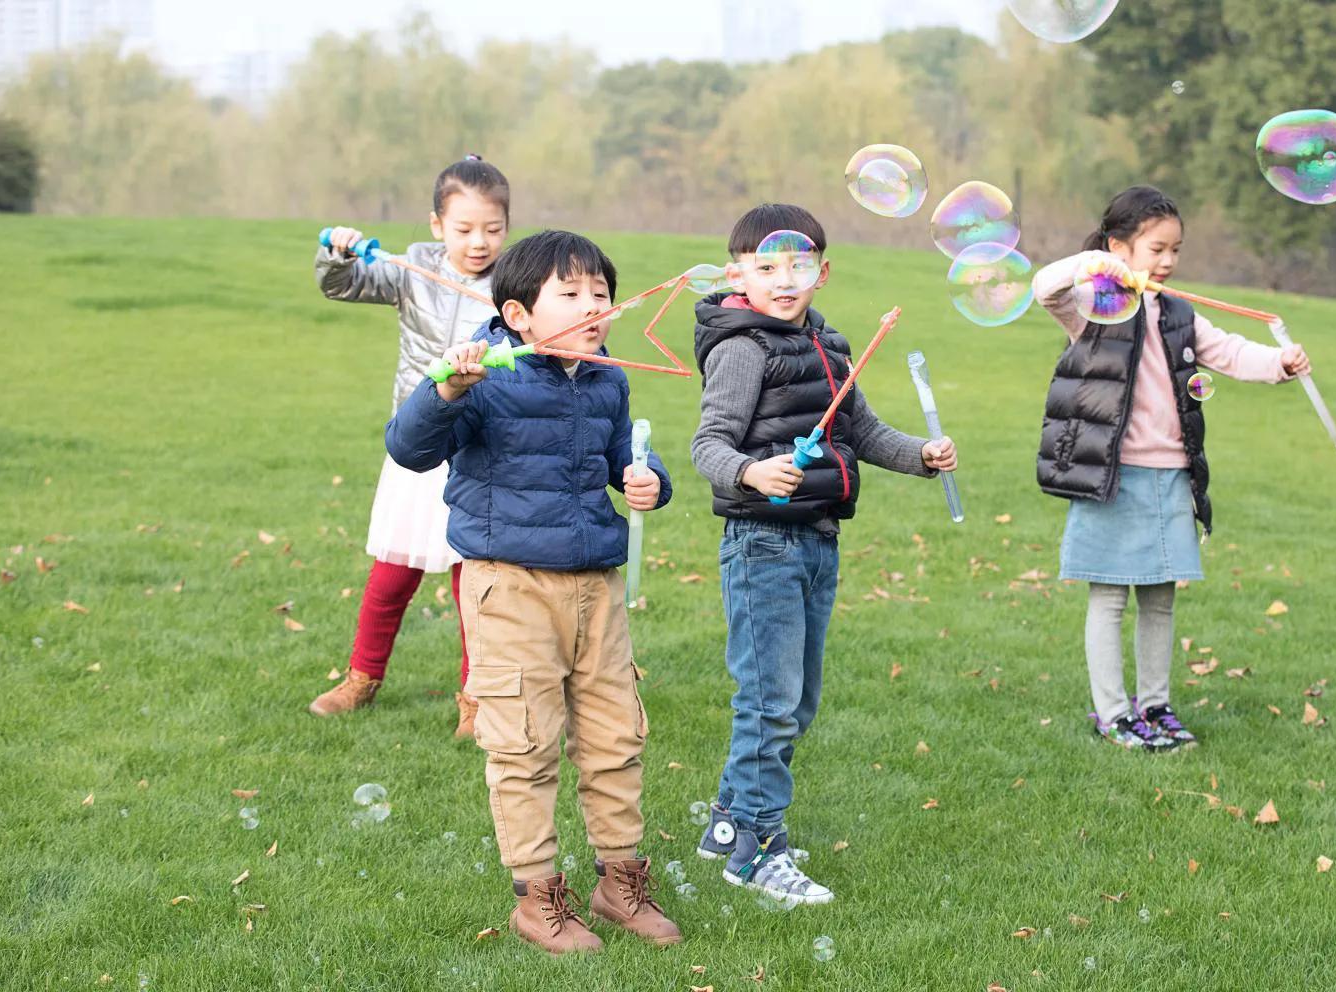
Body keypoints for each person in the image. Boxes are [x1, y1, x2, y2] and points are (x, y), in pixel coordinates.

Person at [386, 230, 680, 954]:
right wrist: (448, 387)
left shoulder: (607, 377)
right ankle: (537, 896)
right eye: (571, 294)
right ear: (518, 315)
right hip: (509, 586)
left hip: (595, 589)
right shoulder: (487, 373)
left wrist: (647, 481)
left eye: (601, 295)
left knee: (616, 736)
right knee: (523, 743)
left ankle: (620, 883)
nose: (592, 308)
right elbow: (408, 446)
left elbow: (626, 457)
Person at [689, 203, 958, 905]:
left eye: (798, 266)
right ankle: (755, 851)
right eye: (766, 267)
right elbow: (707, 445)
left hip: (815, 540)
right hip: (762, 544)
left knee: (794, 703)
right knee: (770, 702)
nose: (784, 280)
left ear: (822, 272)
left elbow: (862, 431)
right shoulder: (742, 349)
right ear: (737, 273)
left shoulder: (826, 346)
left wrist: (922, 456)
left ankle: (726, 823)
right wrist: (751, 472)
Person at [1032, 185, 1312, 751]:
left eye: (1174, 250)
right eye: (1155, 248)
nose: (1167, 261)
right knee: (1109, 598)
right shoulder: (1093, 305)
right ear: (1120, 247)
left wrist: (1279, 362)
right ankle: (1113, 713)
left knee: (1160, 598)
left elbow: (1231, 352)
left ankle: (1154, 704)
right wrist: (1094, 265)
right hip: (1110, 477)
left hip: (1171, 476)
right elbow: (1044, 289)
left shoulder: (1179, 314)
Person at [308, 156, 509, 738]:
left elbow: (549, 329)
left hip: (481, 445)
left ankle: (476, 700)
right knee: (393, 570)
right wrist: (338, 252)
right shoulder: (410, 267)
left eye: (492, 229)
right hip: (419, 438)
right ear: (435, 225)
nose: (479, 242)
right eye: (464, 229)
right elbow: (341, 285)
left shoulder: (514, 283)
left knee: (470, 575)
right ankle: (362, 678)